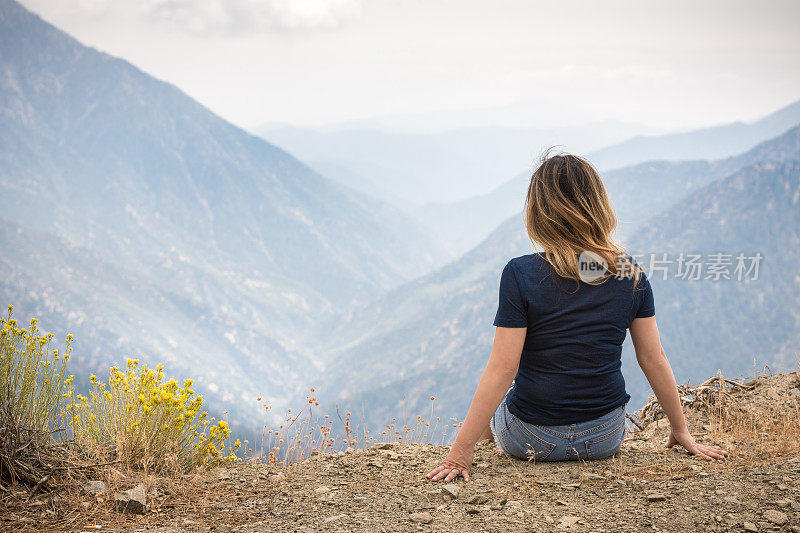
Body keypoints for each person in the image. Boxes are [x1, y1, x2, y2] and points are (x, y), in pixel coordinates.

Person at [426, 153, 727, 483]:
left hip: (531, 438)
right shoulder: (629, 273)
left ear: (539, 211)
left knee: (504, 396)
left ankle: (483, 453)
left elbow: (504, 366)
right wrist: (680, 429)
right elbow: (654, 358)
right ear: (598, 206)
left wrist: (460, 450)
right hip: (604, 438)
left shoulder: (520, 273)